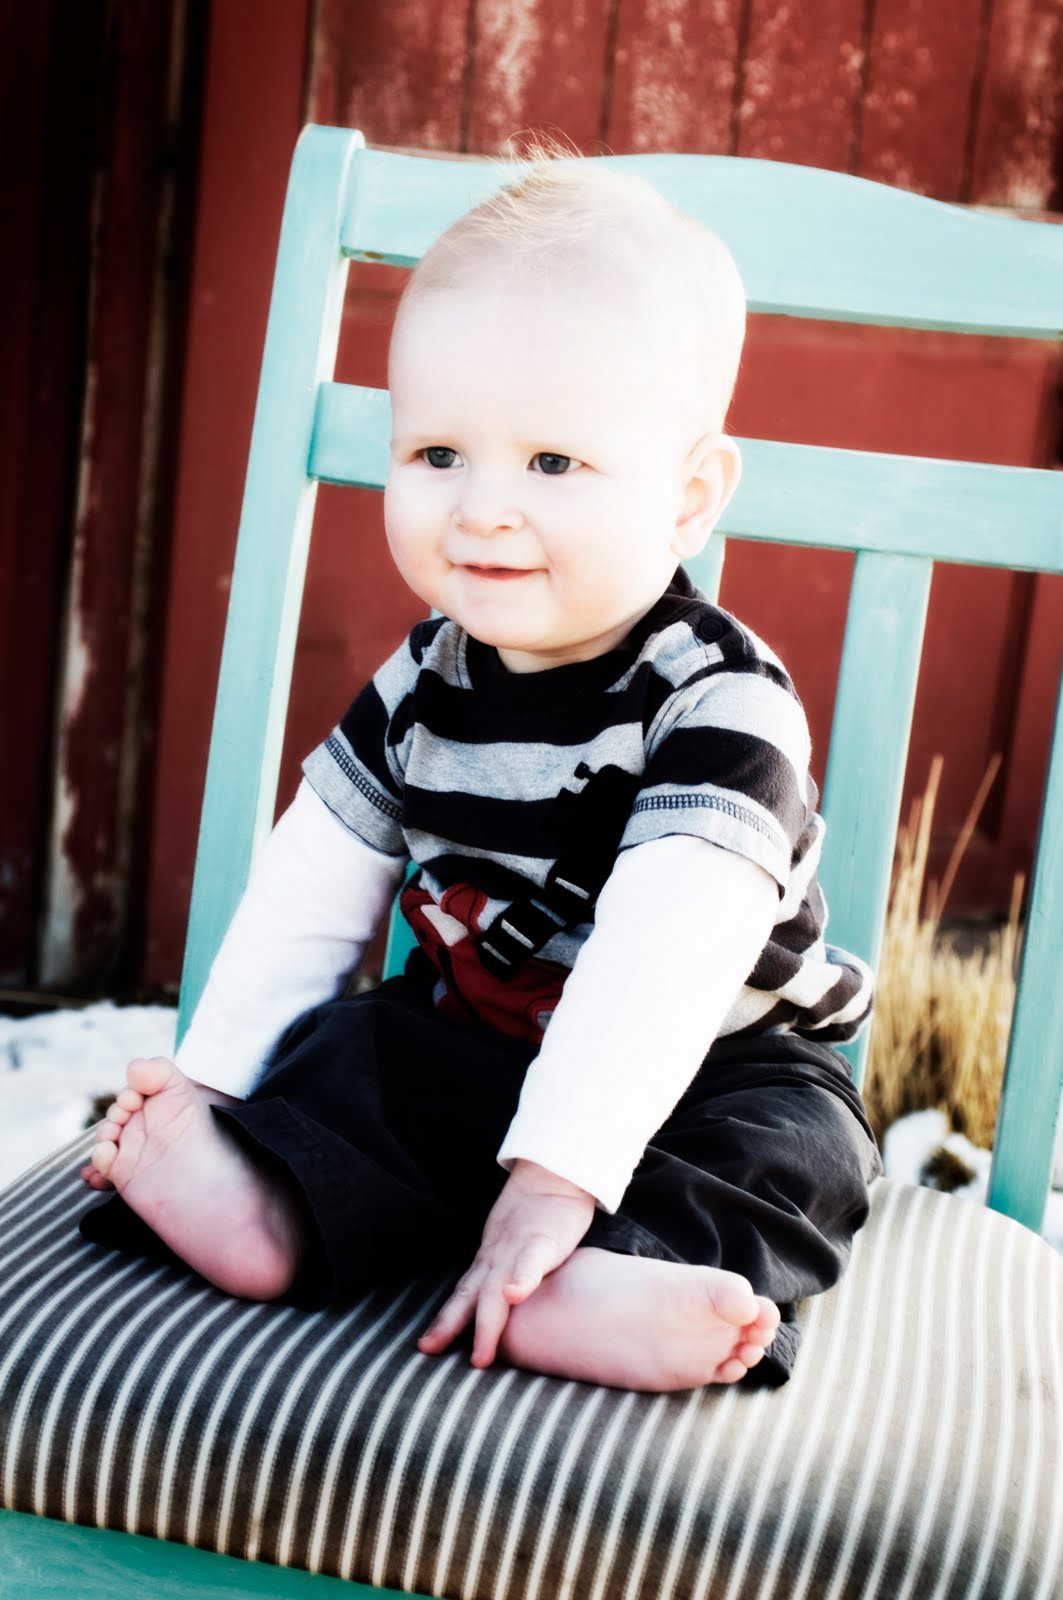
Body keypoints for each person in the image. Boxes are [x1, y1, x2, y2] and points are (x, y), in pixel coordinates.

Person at [81, 155, 880, 1392]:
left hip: (716, 1065)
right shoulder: (421, 685)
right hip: (480, 1050)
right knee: (361, 1051)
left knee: (796, 1148)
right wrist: (212, 1085)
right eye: (439, 452)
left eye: (552, 463)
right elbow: (309, 889)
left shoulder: (722, 704)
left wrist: (558, 1174)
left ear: (688, 498)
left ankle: (617, 1273)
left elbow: (668, 955)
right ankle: (269, 1205)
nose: (482, 509)